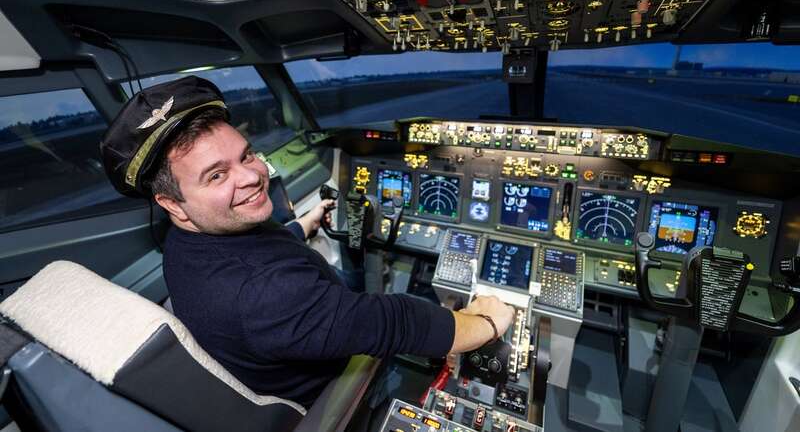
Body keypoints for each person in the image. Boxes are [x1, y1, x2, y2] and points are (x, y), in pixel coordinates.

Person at [100, 76, 515, 408]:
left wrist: (304, 224)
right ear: (171, 202)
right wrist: (486, 321)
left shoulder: (184, 242)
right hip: (337, 388)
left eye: (246, 156)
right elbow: (392, 323)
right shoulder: (265, 295)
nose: (250, 176)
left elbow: (261, 250)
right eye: (216, 175)